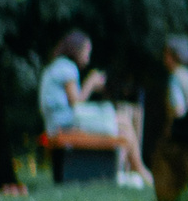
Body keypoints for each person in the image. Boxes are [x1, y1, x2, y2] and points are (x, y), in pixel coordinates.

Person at [36, 30, 150, 184]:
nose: (87, 58)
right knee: (123, 121)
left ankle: (130, 170)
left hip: (59, 123)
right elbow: (76, 104)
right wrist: (91, 83)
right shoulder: (67, 68)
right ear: (77, 50)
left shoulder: (56, 66)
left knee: (123, 123)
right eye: (87, 52)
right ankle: (138, 170)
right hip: (65, 124)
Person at [161, 35, 188, 127]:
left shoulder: (175, 77)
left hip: (181, 129)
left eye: (166, 54)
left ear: (174, 56)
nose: (164, 58)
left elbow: (177, 110)